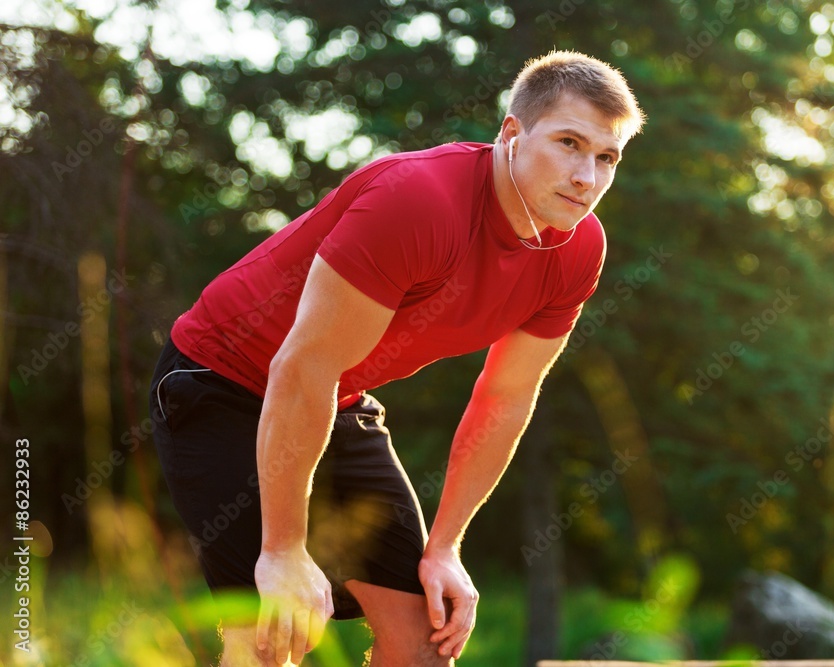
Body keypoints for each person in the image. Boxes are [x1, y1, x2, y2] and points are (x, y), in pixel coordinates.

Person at [148, 49, 644, 666]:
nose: (587, 176)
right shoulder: (418, 201)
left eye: (607, 157)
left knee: (425, 641)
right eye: (569, 143)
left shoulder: (577, 251)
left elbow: (505, 396)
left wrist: (445, 548)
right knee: (274, 634)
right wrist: (283, 549)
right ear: (511, 134)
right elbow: (301, 367)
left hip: (336, 397)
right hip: (221, 378)